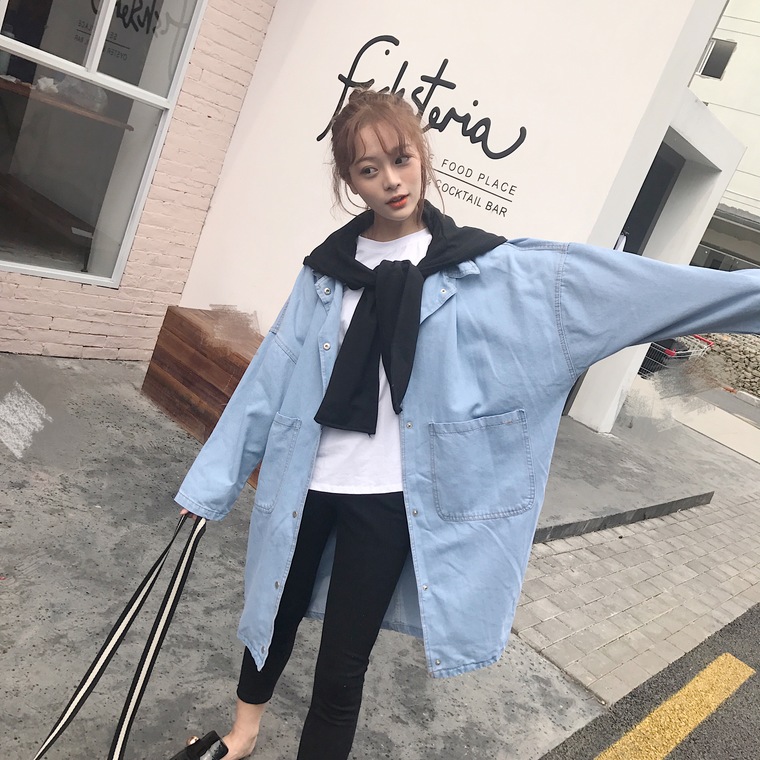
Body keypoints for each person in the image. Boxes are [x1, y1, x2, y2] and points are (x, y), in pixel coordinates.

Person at [171, 89, 760, 760]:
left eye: (400, 159)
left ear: (422, 155)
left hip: (387, 500)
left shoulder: (490, 271)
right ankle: (244, 734)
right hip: (303, 483)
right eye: (368, 170)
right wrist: (210, 485)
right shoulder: (327, 272)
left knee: (341, 666)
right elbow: (269, 377)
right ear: (349, 182)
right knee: (269, 618)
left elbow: (640, 292)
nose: (391, 180)